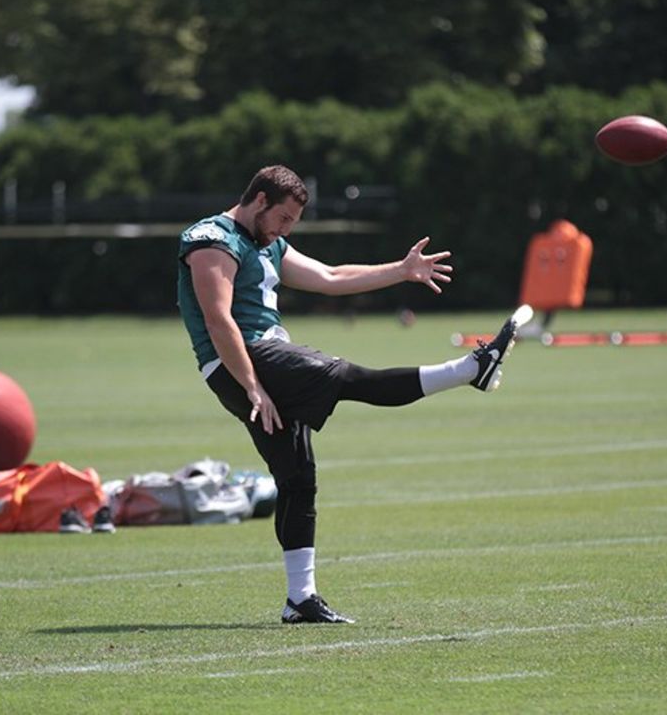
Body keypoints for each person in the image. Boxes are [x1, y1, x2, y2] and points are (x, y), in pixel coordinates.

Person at [177, 165, 528, 624]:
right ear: (259, 200)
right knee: (342, 376)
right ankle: (470, 369)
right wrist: (252, 386)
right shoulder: (211, 239)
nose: (285, 230)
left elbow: (331, 276)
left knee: (298, 478)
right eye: (283, 219)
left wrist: (401, 271)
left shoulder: (266, 242)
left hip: (263, 363)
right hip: (244, 360)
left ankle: (300, 600)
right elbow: (218, 320)